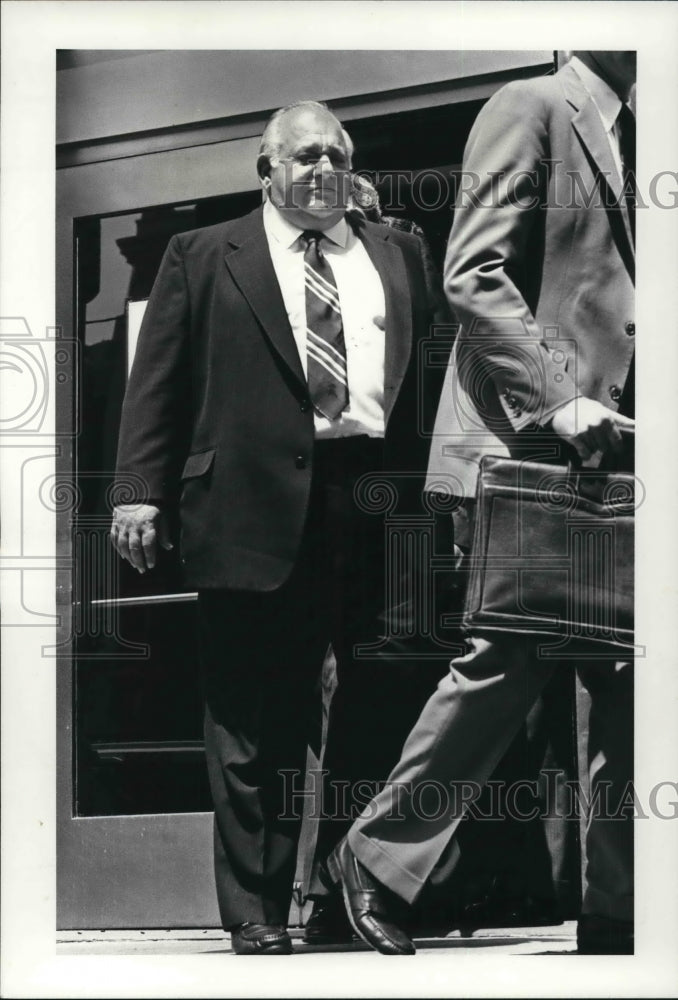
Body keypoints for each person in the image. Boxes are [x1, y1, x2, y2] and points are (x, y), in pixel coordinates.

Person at [111, 100, 447, 955]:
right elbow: (159, 384)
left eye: (337, 153)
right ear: (266, 169)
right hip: (248, 507)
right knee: (255, 714)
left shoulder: (399, 251)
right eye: (304, 156)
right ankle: (258, 909)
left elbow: (430, 388)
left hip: (377, 504)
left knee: (381, 704)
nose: (323, 168)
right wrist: (139, 490)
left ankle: (350, 894)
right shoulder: (200, 254)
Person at [323, 51, 636, 956]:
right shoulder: (533, 105)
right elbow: (474, 274)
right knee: (510, 660)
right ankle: (375, 860)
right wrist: (558, 395)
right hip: (536, 441)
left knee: (631, 674)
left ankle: (621, 906)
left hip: (625, 450)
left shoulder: (641, 135)